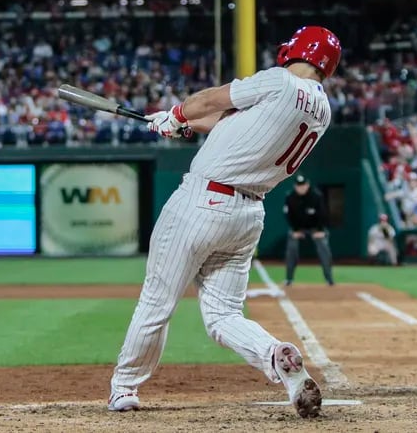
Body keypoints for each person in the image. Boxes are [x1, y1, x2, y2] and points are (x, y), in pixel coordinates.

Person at [107, 26, 341, 418]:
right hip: (248, 215)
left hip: (202, 202)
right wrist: (177, 123)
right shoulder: (323, 110)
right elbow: (233, 124)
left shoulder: (279, 80)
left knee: (157, 301)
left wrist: (178, 113)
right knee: (224, 315)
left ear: (296, 50)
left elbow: (211, 99)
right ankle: (274, 355)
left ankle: (125, 387)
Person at [283, 175, 334, 286]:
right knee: (291, 247)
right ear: (295, 186)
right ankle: (289, 279)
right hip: (298, 228)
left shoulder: (316, 196)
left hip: (316, 228)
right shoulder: (290, 197)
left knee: (323, 247)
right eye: (298, 186)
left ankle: (329, 279)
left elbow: (323, 214)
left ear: (307, 185)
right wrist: (295, 230)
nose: (301, 188)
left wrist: (320, 230)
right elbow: (288, 216)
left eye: (303, 185)